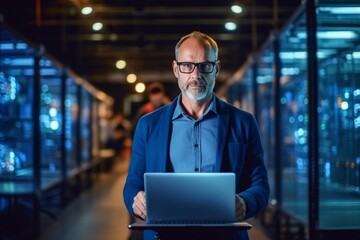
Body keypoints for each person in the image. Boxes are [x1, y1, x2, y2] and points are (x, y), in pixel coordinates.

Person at [123, 31, 269, 240]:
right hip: (163, 236)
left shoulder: (244, 122)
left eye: (205, 66)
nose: (196, 75)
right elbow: (132, 185)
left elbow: (261, 186)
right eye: (187, 66)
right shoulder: (148, 125)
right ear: (176, 69)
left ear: (216, 69)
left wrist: (245, 203)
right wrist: (136, 200)